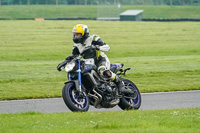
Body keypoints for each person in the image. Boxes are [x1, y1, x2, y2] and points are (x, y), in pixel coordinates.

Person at [57, 24, 126, 93]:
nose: (76, 36)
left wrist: (97, 47)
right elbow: (74, 56)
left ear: (84, 34)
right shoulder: (76, 46)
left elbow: (107, 47)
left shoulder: (93, 38)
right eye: (75, 35)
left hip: (100, 60)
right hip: (88, 63)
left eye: (78, 35)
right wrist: (65, 62)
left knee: (102, 71)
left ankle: (120, 84)